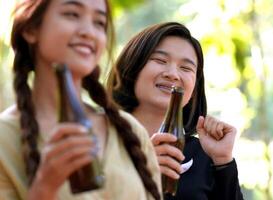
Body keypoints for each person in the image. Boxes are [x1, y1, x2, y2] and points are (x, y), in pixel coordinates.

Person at [0, 0, 161, 199]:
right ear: (31, 29)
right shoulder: (4, 138)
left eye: (99, 23)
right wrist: (44, 187)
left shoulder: (130, 131)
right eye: (72, 14)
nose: (89, 32)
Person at [107, 22, 243, 200]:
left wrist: (223, 161)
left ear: (194, 89)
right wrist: (137, 173)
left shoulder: (205, 154)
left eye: (186, 68)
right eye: (160, 60)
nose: (172, 74)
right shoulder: (98, 137)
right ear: (133, 67)